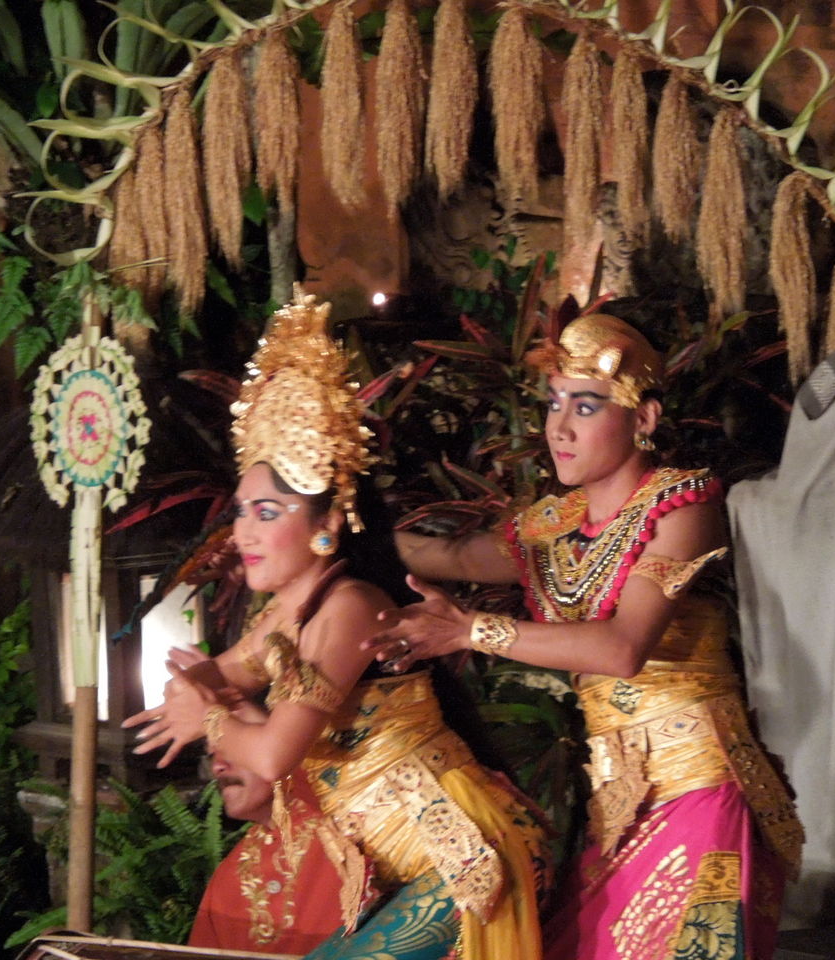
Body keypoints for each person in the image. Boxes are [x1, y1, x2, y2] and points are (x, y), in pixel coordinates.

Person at [125, 287, 548, 960]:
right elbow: (219, 673)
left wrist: (209, 715)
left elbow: (272, 755)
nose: (243, 533)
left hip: (463, 854)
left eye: (267, 513)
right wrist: (199, 689)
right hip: (412, 864)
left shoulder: (349, 606)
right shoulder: (284, 615)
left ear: (326, 524)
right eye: (241, 512)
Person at [369, 313, 804, 960]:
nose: (559, 427)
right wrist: (337, 527)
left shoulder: (683, 507)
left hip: (700, 786)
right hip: (619, 801)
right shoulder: (552, 526)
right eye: (554, 404)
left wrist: (470, 630)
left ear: (644, 418)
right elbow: (447, 557)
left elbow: (623, 648)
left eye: (586, 406)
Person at [188, 750, 374, 955]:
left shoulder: (352, 822)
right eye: (212, 756)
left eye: (231, 749)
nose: (217, 767)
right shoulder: (226, 877)